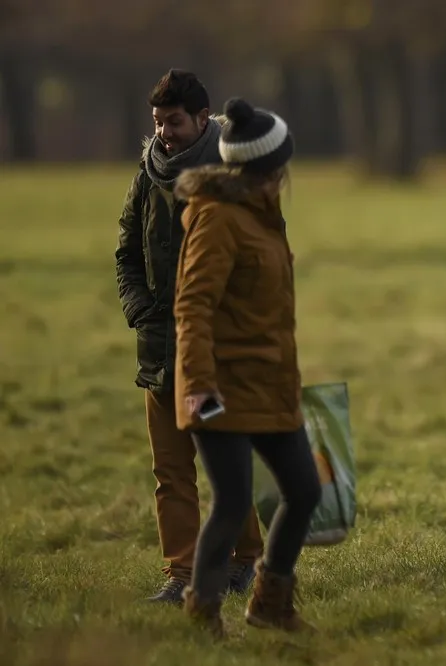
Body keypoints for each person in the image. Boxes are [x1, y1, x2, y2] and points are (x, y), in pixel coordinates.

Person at [172, 96, 321, 637]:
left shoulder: (264, 216)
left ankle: (269, 604)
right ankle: (203, 612)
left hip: (269, 384)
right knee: (232, 503)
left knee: (304, 491)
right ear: (270, 168)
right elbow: (192, 307)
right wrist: (200, 387)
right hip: (220, 386)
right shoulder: (218, 220)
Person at [114, 69, 264, 605]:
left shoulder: (236, 174)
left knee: (226, 465)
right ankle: (180, 575)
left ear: (203, 119)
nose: (164, 133)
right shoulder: (147, 172)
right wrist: (141, 312)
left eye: (173, 122)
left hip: (217, 349)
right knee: (170, 470)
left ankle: (244, 562)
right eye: (157, 122)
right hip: (159, 346)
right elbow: (126, 252)